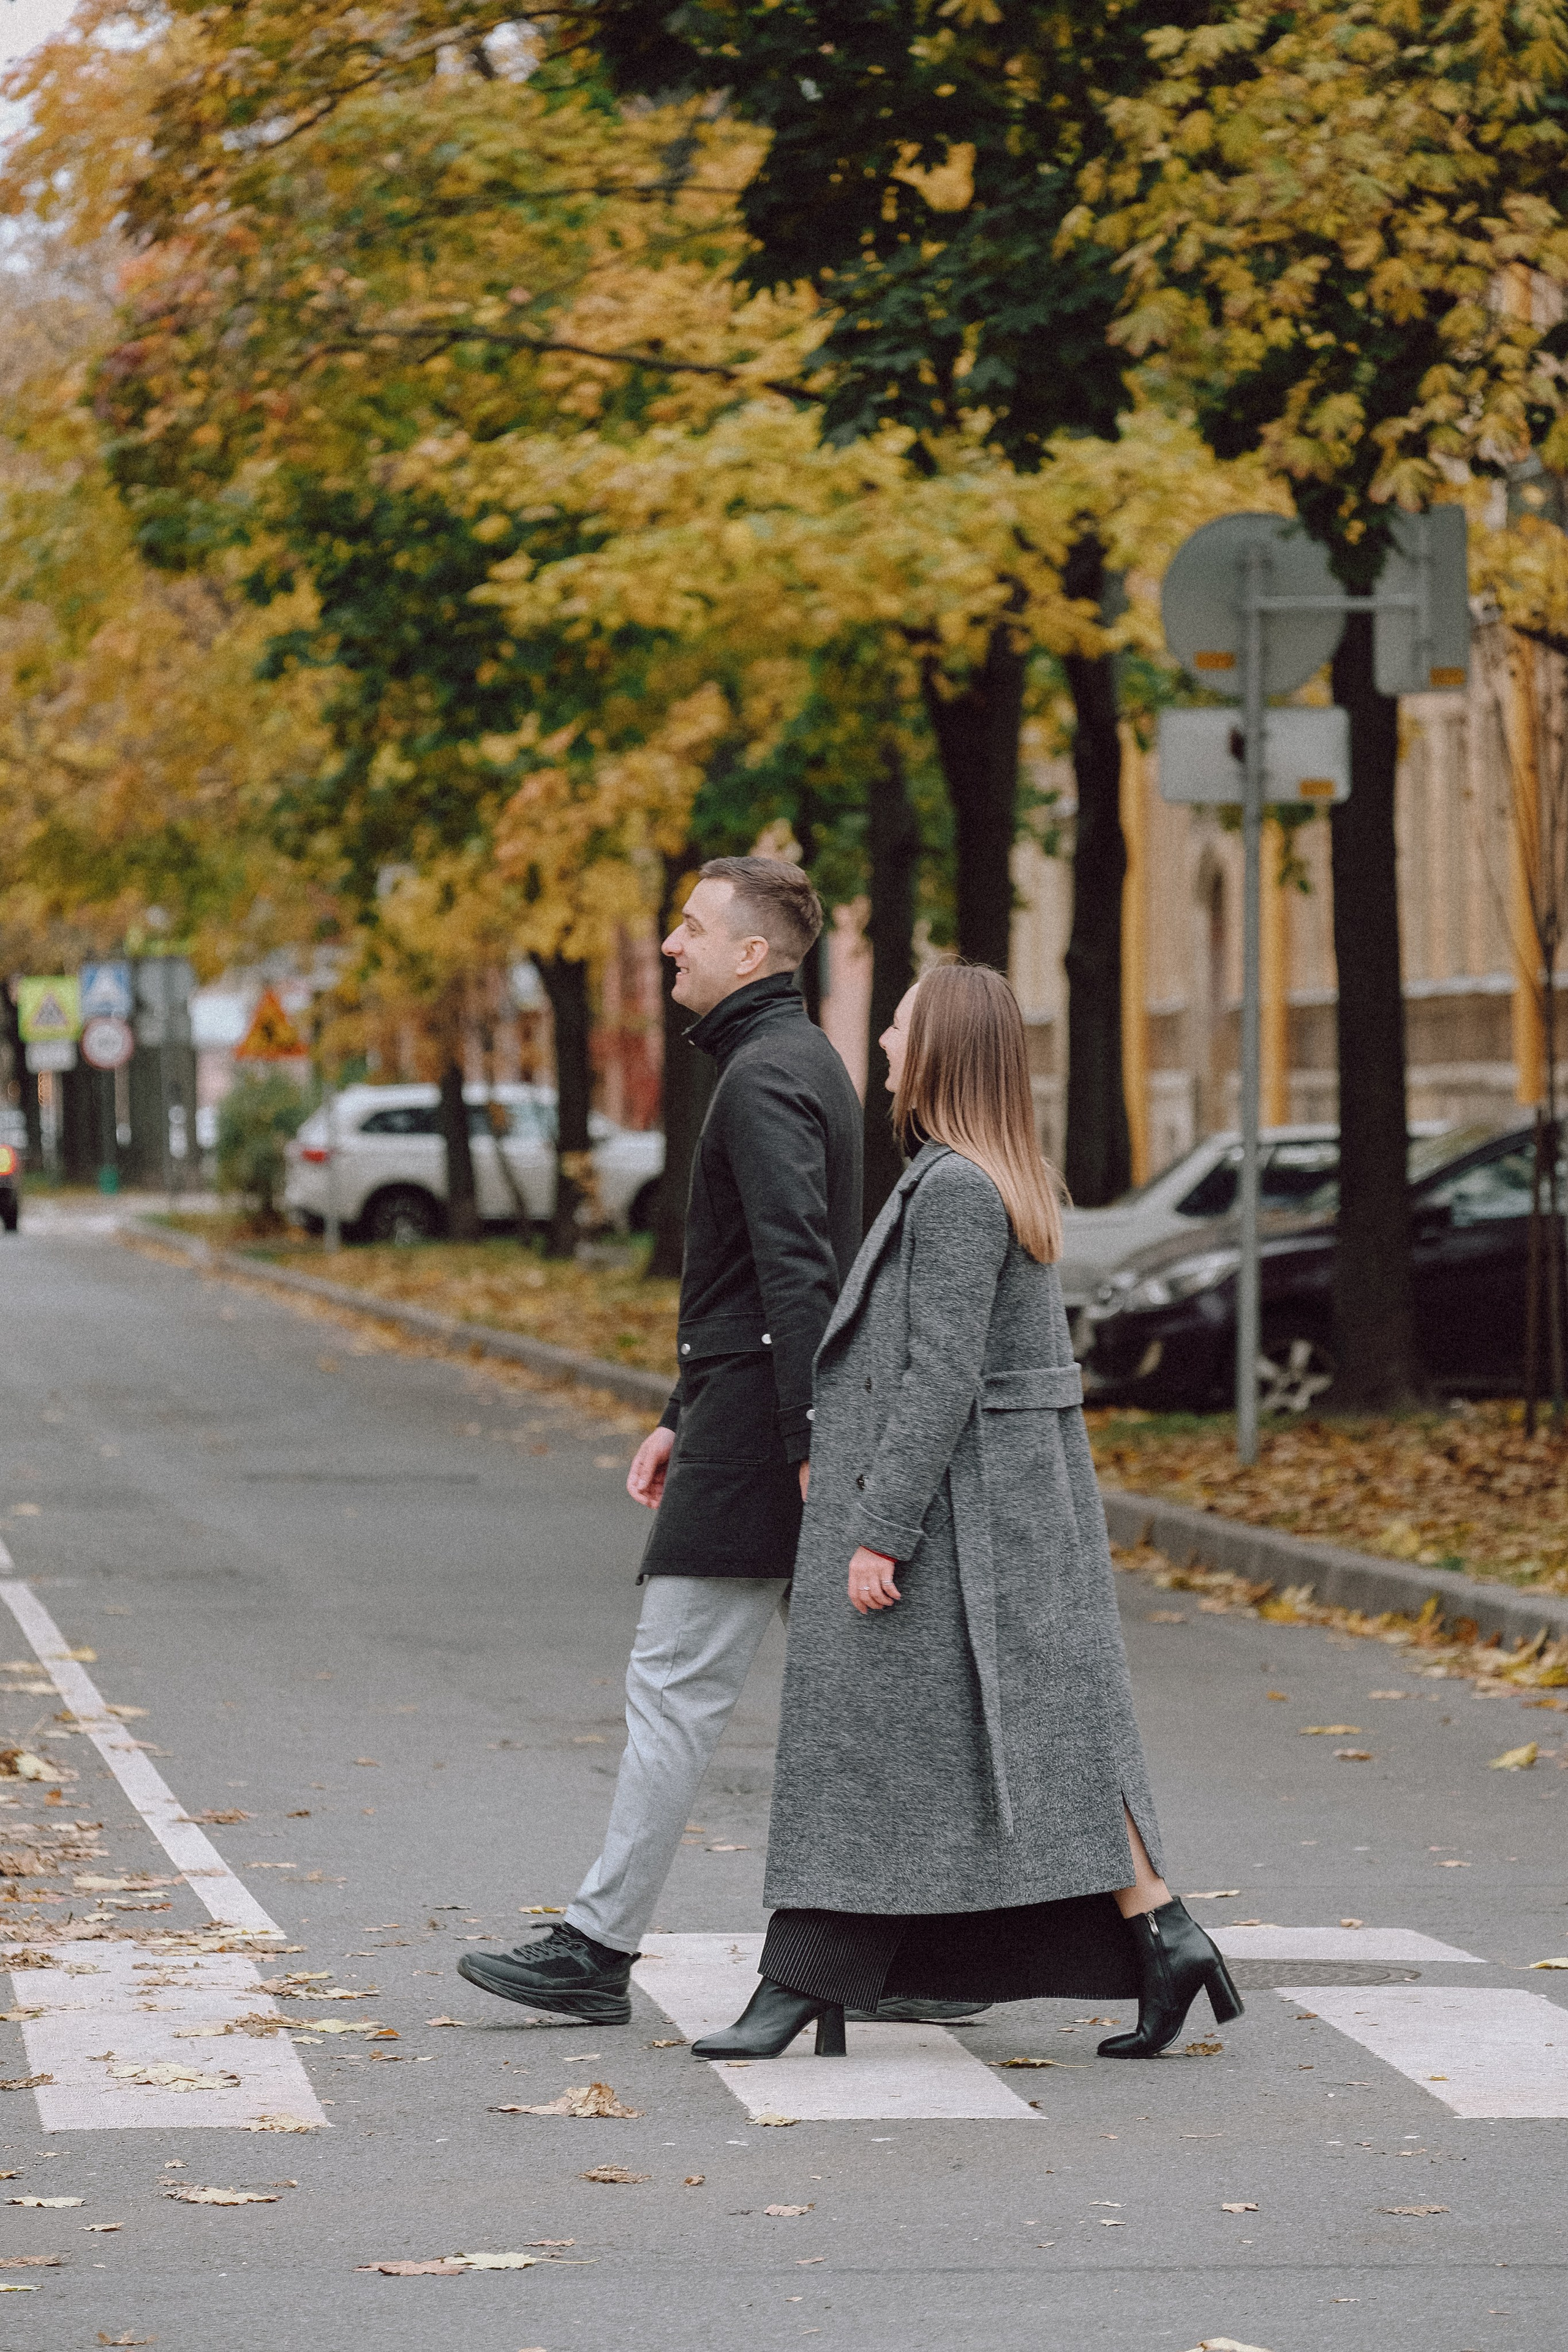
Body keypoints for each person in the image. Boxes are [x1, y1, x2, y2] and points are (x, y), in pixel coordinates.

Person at [690, 963, 1244, 2063]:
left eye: (896, 1030)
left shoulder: (953, 1190)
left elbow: (938, 1377)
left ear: (939, 1050)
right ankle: (1164, 1936)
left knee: (868, 1745)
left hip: (954, 1522)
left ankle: (803, 1979)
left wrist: (878, 1531)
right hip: (997, 1511)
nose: (884, 1047)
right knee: (1040, 1737)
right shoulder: (984, 1174)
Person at [460, 856, 863, 2025]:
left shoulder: (764, 1077)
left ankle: (595, 1949)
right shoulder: (793, 1063)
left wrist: (797, 1438)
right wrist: (677, 1414)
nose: (671, 942)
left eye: (693, 928)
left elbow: (800, 1273)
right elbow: (756, 1278)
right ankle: (915, 1952)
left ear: (754, 954)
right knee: (853, 1701)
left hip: (764, 1437)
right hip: (743, 1421)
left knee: (674, 1689)